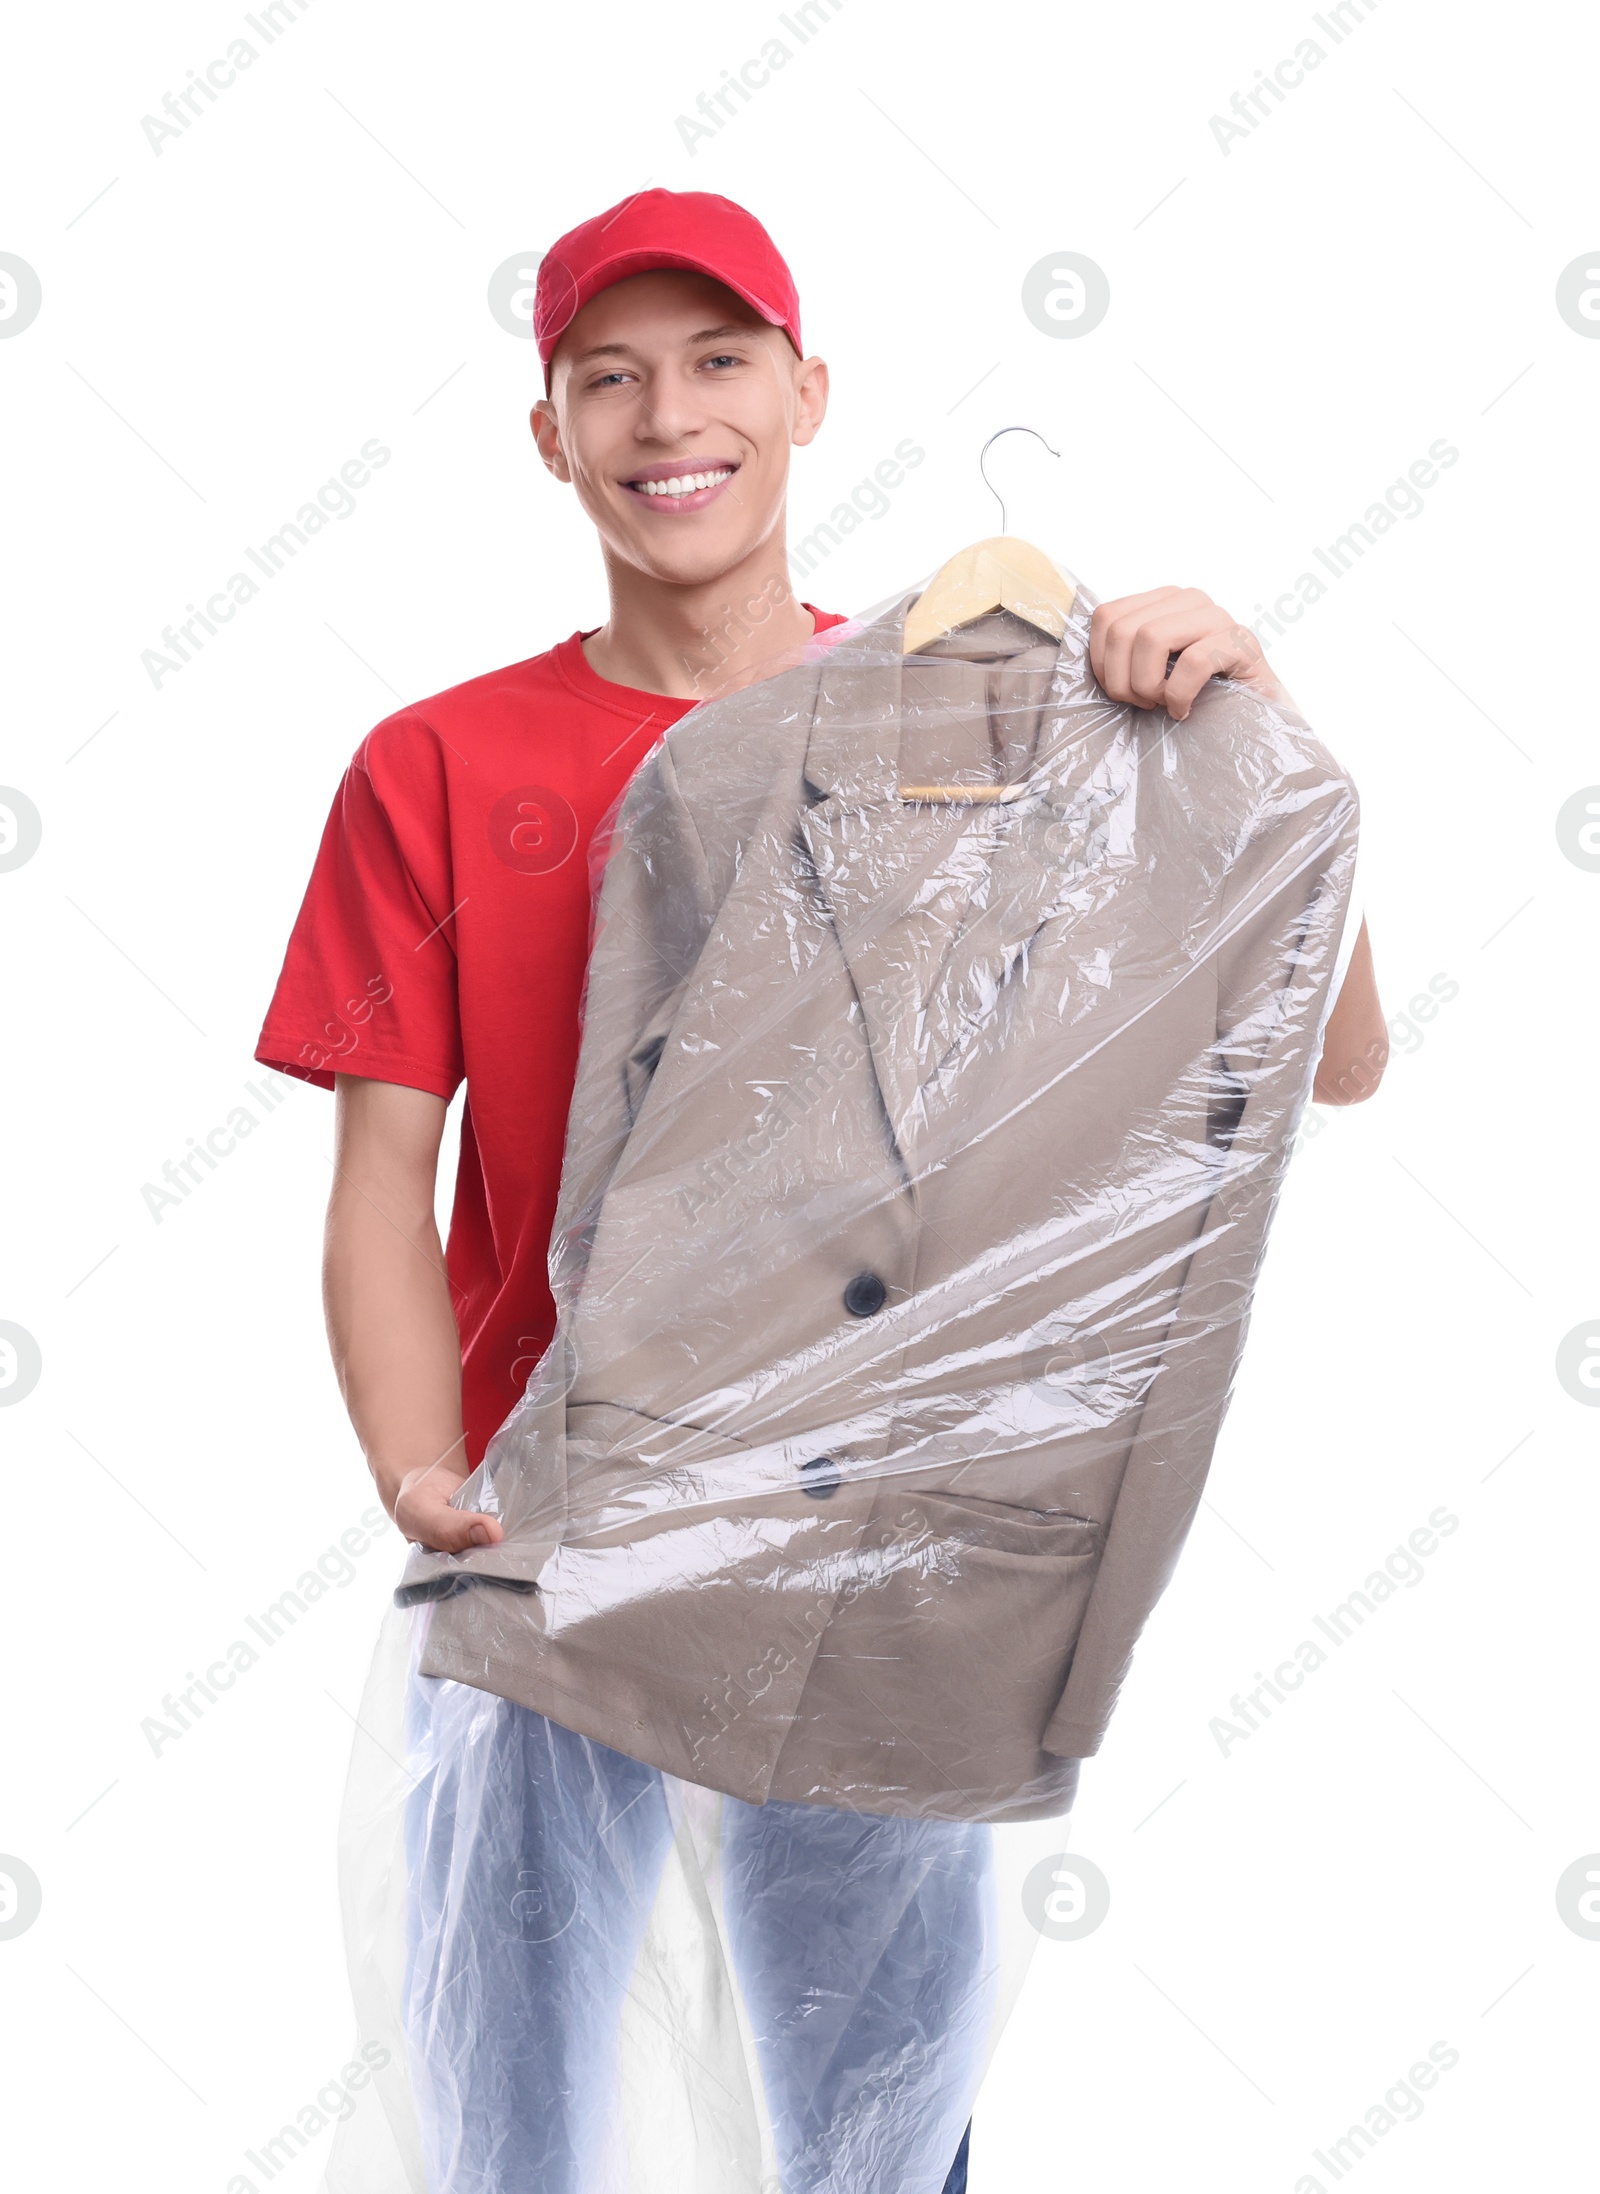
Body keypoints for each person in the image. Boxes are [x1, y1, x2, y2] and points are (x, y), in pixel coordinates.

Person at [257, 189, 1388, 2194]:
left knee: (867, 2143)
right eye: (605, 377)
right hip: (553, 1530)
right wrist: (419, 1469)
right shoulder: (437, 762)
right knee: (513, 2134)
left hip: (880, 1544)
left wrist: (1253, 721)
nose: (661, 415)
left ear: (805, 394)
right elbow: (376, 1177)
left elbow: (1330, 1052)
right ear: (547, 432)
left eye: (712, 362)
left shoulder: (1013, 727)